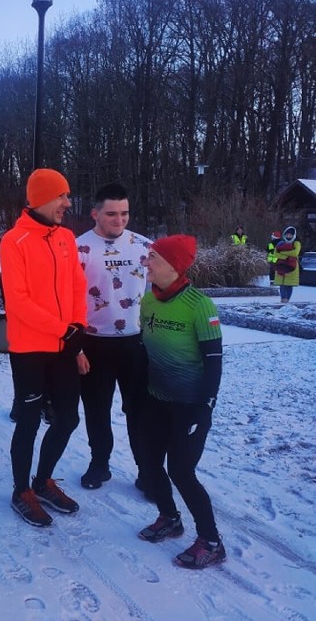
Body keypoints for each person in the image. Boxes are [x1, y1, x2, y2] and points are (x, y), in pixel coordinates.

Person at [0, 168, 87, 527]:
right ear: (41, 199)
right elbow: (17, 301)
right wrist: (63, 329)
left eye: (67, 196)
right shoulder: (13, 241)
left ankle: (43, 481)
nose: (67, 203)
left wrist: (78, 326)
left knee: (67, 418)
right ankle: (22, 490)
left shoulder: (66, 237)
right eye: (62, 196)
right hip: (30, 348)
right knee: (30, 420)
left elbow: (78, 286)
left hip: (64, 344)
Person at [137, 234, 225, 569]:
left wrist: (204, 407)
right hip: (157, 399)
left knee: (182, 471)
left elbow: (214, 362)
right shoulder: (148, 301)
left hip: (191, 404)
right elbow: (146, 351)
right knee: (148, 462)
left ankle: (212, 541)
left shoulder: (200, 306)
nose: (146, 262)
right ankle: (170, 518)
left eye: (153, 257)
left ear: (173, 266)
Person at [75, 182, 152, 492]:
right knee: (96, 408)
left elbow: (160, 291)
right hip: (94, 342)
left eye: (124, 213)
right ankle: (99, 464)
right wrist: (75, 347)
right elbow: (67, 299)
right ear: (95, 213)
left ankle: (147, 470)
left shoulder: (145, 247)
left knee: (139, 410)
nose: (119, 220)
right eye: (111, 214)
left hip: (134, 342)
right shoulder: (79, 248)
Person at [273, 226, 301, 303]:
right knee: (282, 284)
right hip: (281, 266)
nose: (288, 236)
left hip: (292, 266)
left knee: (289, 284)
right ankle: (283, 299)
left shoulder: (297, 243)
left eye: (290, 235)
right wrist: (287, 257)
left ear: (293, 235)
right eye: (287, 234)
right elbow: (275, 254)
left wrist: (282, 254)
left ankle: (287, 300)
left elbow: (295, 253)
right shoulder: (281, 243)